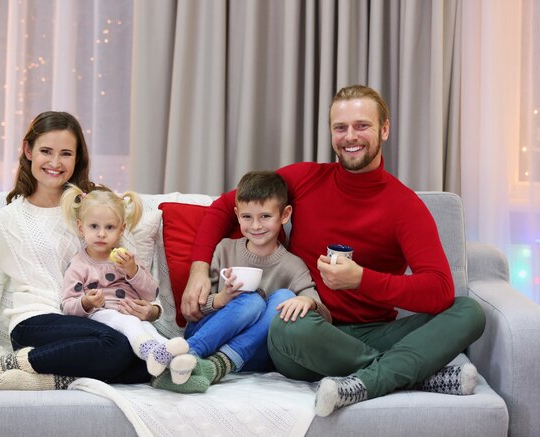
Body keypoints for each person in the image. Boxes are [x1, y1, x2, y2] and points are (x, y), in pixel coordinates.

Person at [181, 85, 486, 414]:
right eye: (340, 128)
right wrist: (199, 269)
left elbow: (439, 290)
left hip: (375, 333)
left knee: (469, 312)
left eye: (362, 125)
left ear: (384, 129)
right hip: (308, 332)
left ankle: (368, 380)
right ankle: (404, 374)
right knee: (283, 324)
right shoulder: (305, 179)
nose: (350, 136)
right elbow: (224, 207)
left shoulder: (405, 206)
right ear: (331, 133)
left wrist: (361, 280)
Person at [0, 111, 161, 393]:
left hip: (94, 321)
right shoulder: (8, 221)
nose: (55, 163)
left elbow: (135, 272)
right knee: (116, 346)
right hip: (36, 322)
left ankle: (48, 379)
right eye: (46, 151)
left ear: (77, 158)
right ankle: (9, 364)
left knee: (149, 360)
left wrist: (153, 311)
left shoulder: (96, 207)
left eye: (66, 154)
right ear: (28, 150)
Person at [152, 170, 331, 394]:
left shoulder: (293, 266)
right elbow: (194, 311)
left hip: (253, 352)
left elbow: (324, 316)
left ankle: (206, 367)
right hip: (207, 336)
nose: (255, 226)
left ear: (285, 215)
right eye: (247, 217)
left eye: (265, 216)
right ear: (236, 214)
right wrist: (221, 298)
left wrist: (308, 302)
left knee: (285, 297)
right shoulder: (224, 249)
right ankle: (189, 353)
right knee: (252, 301)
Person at [59, 183, 196, 382]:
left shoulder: (127, 259)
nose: (101, 234)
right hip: (102, 317)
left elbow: (151, 294)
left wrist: (133, 271)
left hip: (133, 315)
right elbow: (67, 305)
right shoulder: (79, 264)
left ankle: (178, 363)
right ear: (81, 227)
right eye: (94, 226)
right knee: (129, 322)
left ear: (121, 229)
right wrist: (87, 302)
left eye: (110, 227)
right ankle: (152, 353)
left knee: (149, 329)